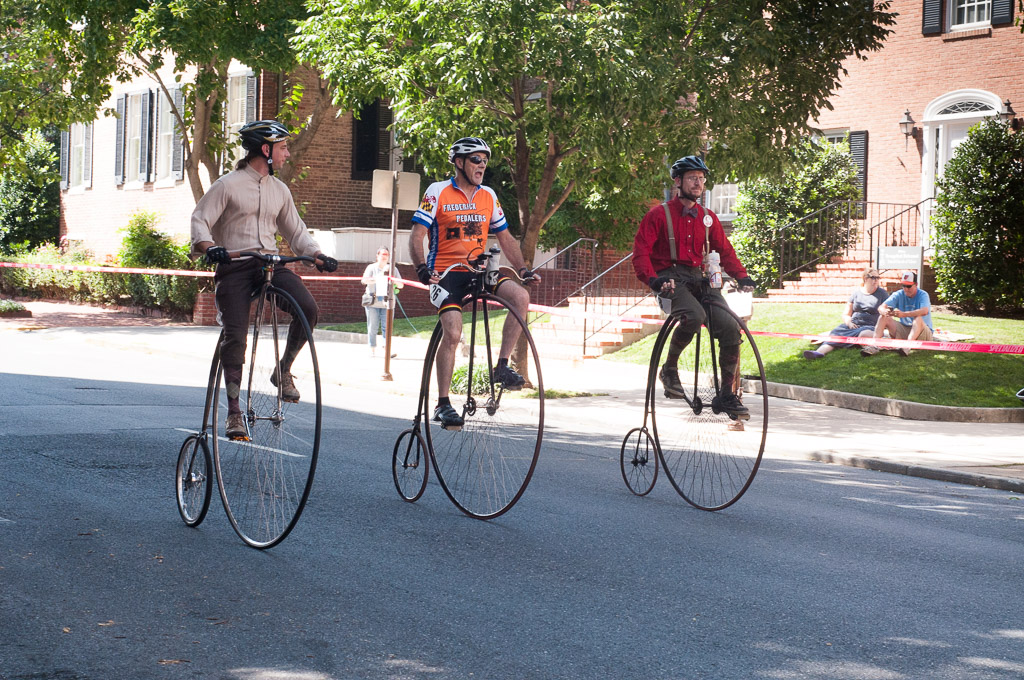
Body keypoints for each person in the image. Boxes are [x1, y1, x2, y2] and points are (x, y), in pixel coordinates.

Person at [191, 120, 338, 441]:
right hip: (235, 265)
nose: (288, 154)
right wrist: (210, 247)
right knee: (235, 336)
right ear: (266, 150)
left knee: (308, 309)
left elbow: (296, 232)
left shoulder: (280, 190)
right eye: (283, 148)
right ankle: (233, 412)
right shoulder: (227, 185)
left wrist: (317, 255)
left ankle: (283, 370)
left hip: (269, 265)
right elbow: (200, 220)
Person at [409, 136, 540, 429]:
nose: (482, 165)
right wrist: (420, 268)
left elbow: (505, 237)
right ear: (459, 163)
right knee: (453, 332)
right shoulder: (437, 192)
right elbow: (416, 236)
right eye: (476, 160)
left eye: (485, 160)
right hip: (445, 274)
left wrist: (523, 269)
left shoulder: (488, 196)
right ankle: (443, 404)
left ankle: (501, 367)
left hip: (478, 271)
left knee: (520, 297)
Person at [632, 155, 757, 420]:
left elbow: (725, 251)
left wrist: (742, 276)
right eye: (692, 178)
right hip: (670, 278)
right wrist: (653, 280)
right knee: (693, 315)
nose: (698, 183)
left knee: (730, 327)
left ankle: (726, 394)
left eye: (701, 179)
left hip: (700, 279)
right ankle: (669, 369)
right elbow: (641, 253)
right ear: (678, 181)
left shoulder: (708, 218)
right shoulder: (659, 215)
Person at [803, 268, 888, 359]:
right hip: (854, 325)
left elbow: (887, 313)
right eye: (873, 277)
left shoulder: (882, 293)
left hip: (870, 326)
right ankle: (818, 353)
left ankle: (869, 344)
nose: (876, 280)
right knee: (835, 333)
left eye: (878, 277)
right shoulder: (856, 293)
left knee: (863, 334)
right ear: (865, 279)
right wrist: (849, 323)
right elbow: (846, 314)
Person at [860, 270, 933, 357]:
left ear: (916, 284)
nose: (906, 289)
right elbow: (881, 307)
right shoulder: (899, 294)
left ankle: (907, 347)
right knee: (883, 317)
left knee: (918, 318)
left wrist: (904, 314)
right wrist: (884, 311)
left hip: (923, 332)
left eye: (908, 286)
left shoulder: (923, 294)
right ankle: (874, 346)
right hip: (905, 329)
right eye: (903, 285)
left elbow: (924, 311)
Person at [361, 246, 403, 357]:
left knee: (387, 328)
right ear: (377, 256)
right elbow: (364, 280)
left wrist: (394, 280)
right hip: (373, 302)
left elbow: (401, 285)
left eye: (386, 255)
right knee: (372, 327)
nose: (384, 257)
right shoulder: (371, 267)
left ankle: (386, 350)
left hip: (388, 303)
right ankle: (372, 349)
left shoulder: (393, 269)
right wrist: (378, 278)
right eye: (382, 254)